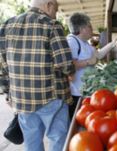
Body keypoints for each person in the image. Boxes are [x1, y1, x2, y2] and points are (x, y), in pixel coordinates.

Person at [0, 0, 75, 151]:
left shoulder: (6, 25)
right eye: (56, 10)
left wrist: (8, 92)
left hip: (21, 99)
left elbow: (2, 65)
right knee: (57, 138)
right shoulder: (52, 25)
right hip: (51, 96)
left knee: (31, 142)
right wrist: (71, 71)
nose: (56, 14)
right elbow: (65, 63)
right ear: (49, 5)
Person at [67, 13, 117, 118]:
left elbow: (98, 55)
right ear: (82, 28)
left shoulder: (84, 43)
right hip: (76, 94)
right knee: (76, 121)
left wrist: (113, 43)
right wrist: (88, 62)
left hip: (86, 92)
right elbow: (69, 65)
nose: (92, 29)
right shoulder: (72, 41)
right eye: (90, 26)